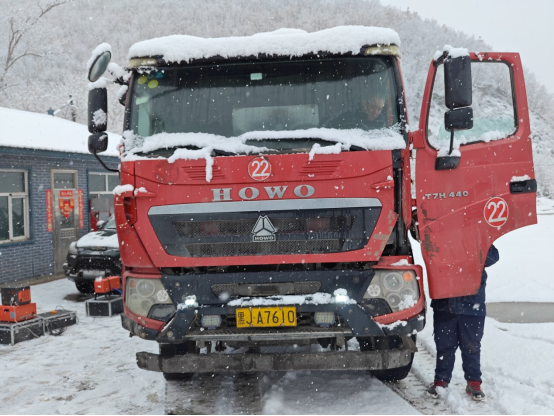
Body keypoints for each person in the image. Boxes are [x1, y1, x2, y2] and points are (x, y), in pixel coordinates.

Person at [426, 244, 500, 401]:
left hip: (472, 306)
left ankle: (474, 382)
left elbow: (493, 258)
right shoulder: (439, 235)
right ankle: (441, 381)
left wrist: (477, 244)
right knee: (444, 346)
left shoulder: (477, 237)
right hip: (444, 304)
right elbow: (429, 251)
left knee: (472, 346)